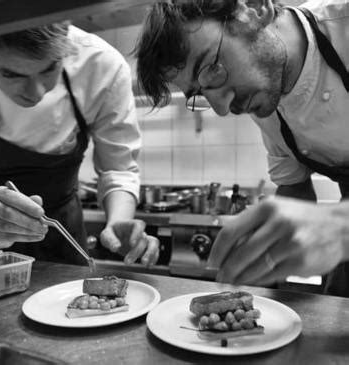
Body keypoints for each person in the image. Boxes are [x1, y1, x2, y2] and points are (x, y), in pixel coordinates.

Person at [134, 0, 349, 295]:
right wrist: (264, 248)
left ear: (255, 8)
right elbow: (295, 192)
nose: (222, 108)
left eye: (211, 69)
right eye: (199, 93)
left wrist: (339, 227)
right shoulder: (266, 99)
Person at [0, 22, 159, 266]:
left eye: (49, 68)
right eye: (11, 74)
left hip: (63, 235)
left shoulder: (100, 66)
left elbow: (117, 168)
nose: (36, 93)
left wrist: (118, 221)